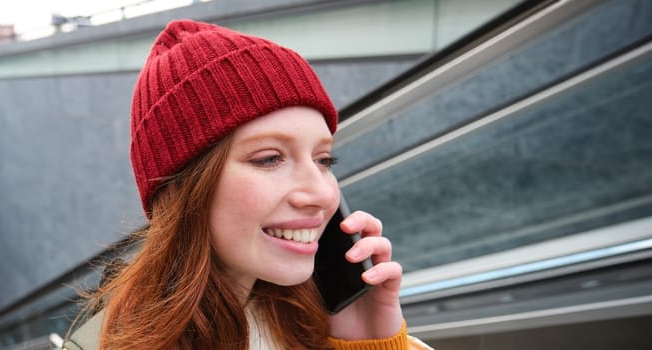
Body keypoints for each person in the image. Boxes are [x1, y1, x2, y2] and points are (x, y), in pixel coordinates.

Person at [65, 19, 431, 350]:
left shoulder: (326, 325)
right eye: (269, 159)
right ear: (182, 189)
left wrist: (370, 342)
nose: (322, 194)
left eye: (324, 160)